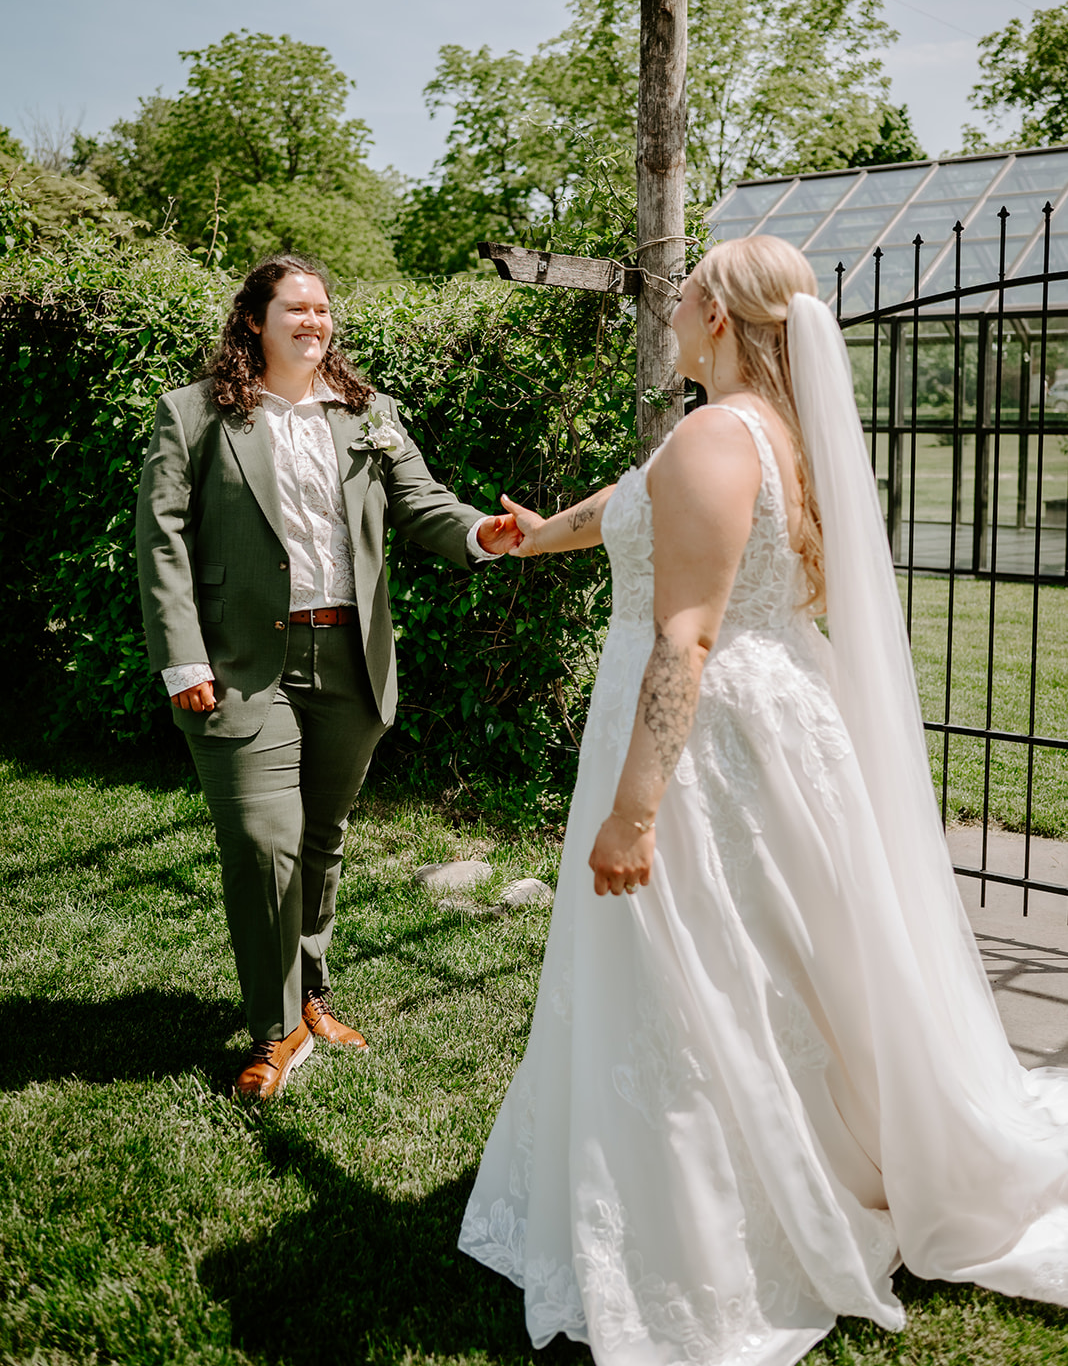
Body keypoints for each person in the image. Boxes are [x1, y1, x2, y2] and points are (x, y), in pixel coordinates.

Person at [459, 234, 1068, 1364]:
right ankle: (829, 1151)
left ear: (722, 322)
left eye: (685, 297)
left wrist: (636, 810)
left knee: (701, 966)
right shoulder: (766, 433)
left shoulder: (711, 436)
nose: (674, 312)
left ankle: (720, 1210)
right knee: (786, 959)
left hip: (705, 747)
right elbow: (638, 502)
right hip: (779, 718)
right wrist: (538, 536)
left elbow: (684, 635)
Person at [136, 253, 517, 1099]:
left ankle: (311, 998)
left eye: (322, 309)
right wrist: (183, 658)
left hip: (350, 656)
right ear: (254, 322)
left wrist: (479, 535)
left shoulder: (366, 411)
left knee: (319, 841)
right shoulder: (194, 416)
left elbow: (423, 502)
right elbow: (161, 540)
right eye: (295, 309)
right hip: (240, 668)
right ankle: (273, 1033)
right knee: (261, 843)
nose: (314, 322)